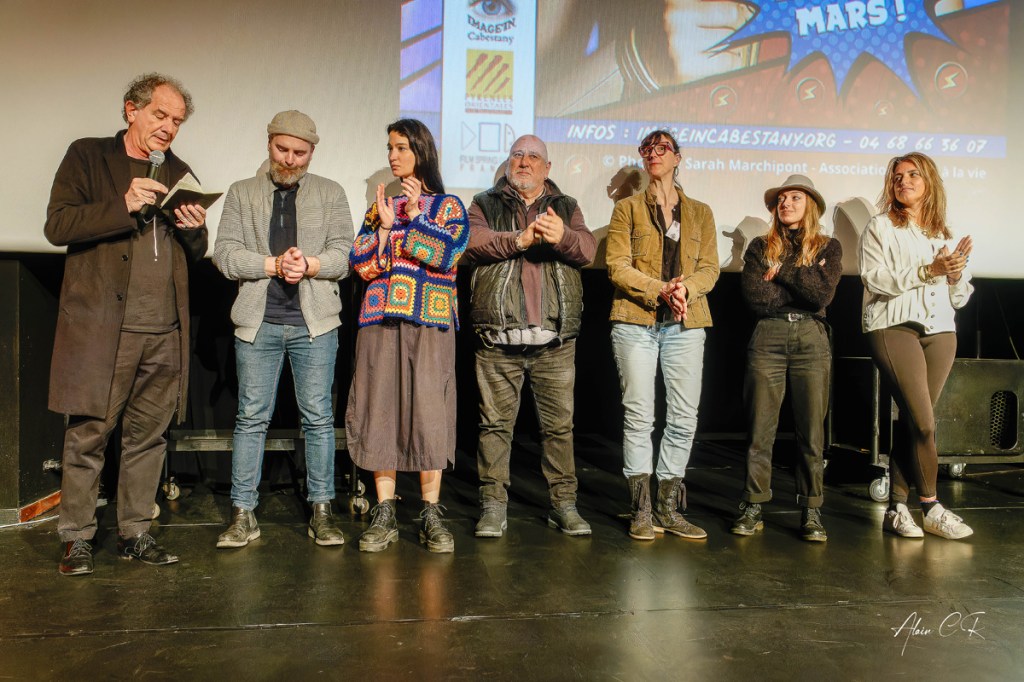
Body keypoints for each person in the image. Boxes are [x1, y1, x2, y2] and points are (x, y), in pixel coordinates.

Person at [45, 73, 208, 576]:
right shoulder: (88, 156)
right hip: (105, 329)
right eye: (160, 115)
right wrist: (124, 205)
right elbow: (58, 226)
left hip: (164, 330)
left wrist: (197, 231)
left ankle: (135, 532)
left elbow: (193, 253)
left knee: (148, 439)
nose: (168, 128)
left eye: (177, 121)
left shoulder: (179, 170)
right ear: (130, 110)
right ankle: (77, 538)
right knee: (89, 436)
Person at [213, 111, 353, 549]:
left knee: (318, 419)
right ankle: (242, 513)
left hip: (315, 325)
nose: (290, 159)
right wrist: (271, 265)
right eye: (282, 149)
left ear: (312, 152)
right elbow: (225, 254)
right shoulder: (243, 192)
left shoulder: (331, 192)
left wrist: (309, 264)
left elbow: (345, 255)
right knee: (251, 418)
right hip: (259, 325)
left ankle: (322, 510)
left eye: (300, 152)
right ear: (269, 143)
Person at [462, 135, 597, 538]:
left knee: (559, 429)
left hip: (554, 341)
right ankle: (493, 506)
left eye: (533, 156)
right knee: (494, 427)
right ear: (508, 163)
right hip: (498, 337)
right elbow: (470, 242)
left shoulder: (566, 206)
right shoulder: (484, 203)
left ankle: (564, 505)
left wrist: (563, 237)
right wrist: (518, 240)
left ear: (547, 168)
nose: (524, 162)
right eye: (517, 155)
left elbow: (588, 250)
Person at [346, 119, 469, 553]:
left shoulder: (448, 207)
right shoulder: (381, 207)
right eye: (389, 148)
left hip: (429, 321)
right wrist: (383, 229)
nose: (393, 156)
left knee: (429, 411)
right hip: (381, 320)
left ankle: (431, 511)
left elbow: (447, 255)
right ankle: (385, 510)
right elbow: (361, 264)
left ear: (420, 151)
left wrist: (416, 218)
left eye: (401, 147)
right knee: (380, 406)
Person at [605, 129, 719, 541]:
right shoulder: (627, 209)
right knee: (639, 416)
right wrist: (661, 290)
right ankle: (641, 510)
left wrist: (685, 290)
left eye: (662, 148)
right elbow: (617, 265)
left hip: (686, 324)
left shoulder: (700, 212)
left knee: (684, 417)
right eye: (647, 149)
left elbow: (710, 268)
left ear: (677, 158)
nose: (653, 154)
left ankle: (668, 508)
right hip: (636, 321)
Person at [859, 152, 975, 540]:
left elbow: (960, 298)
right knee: (924, 422)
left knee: (913, 420)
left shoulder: (944, 234)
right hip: (892, 325)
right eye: (897, 177)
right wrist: (929, 270)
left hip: (940, 331)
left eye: (912, 175)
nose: (903, 181)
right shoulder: (880, 226)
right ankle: (931, 506)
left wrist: (954, 276)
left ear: (929, 182)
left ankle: (896, 508)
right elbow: (874, 279)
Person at [730, 175, 842, 542]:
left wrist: (785, 273)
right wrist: (801, 282)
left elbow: (821, 296)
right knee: (760, 430)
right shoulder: (760, 247)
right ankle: (753, 504)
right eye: (782, 198)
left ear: (810, 205)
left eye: (795, 197)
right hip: (769, 335)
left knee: (811, 432)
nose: (786, 203)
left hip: (812, 338)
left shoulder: (829, 247)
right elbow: (757, 297)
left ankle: (811, 509)